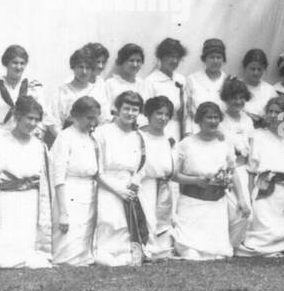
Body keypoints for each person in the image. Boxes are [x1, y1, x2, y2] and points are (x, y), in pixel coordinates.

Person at [0, 96, 54, 269]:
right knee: (0, 257)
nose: (32, 123)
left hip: (31, 201)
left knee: (30, 257)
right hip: (6, 200)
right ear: (17, 116)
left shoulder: (39, 146)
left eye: (36, 119)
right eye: (29, 118)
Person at [171, 101, 245, 260]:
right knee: (191, 253)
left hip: (216, 204)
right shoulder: (186, 144)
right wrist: (195, 180)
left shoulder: (224, 143)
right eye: (208, 117)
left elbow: (233, 172)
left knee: (218, 253)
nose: (213, 121)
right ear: (199, 120)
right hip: (192, 203)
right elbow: (174, 175)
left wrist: (241, 199)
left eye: (216, 117)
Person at [238, 94, 284, 257]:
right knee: (261, 228)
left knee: (283, 228)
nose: (273, 116)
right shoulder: (258, 136)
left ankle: (282, 245)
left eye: (278, 112)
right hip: (264, 190)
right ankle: (260, 246)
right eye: (271, 111)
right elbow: (252, 171)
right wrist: (251, 197)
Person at [94, 90, 149, 266]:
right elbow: (97, 169)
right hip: (107, 186)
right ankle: (104, 252)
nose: (130, 113)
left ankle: (125, 252)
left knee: (127, 224)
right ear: (117, 109)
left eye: (135, 110)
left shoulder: (139, 136)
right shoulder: (102, 132)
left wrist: (135, 181)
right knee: (109, 221)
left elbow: (142, 166)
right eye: (126, 108)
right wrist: (118, 190)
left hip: (129, 187)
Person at [48, 96, 101, 267]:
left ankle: (84, 259)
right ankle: (66, 261)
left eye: (95, 118)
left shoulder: (92, 138)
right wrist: (63, 211)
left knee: (85, 233)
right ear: (75, 116)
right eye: (89, 118)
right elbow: (58, 176)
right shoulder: (65, 137)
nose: (92, 122)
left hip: (89, 190)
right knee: (68, 236)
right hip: (69, 190)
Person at [0, 44, 53, 141]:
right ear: (6, 63)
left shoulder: (33, 88)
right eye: (15, 62)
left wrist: (31, 135)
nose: (19, 67)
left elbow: (42, 115)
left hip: (25, 137)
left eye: (22, 63)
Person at [137, 96, 177, 261]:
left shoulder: (169, 139)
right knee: (147, 218)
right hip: (145, 183)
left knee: (164, 219)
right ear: (149, 114)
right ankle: (146, 249)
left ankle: (160, 249)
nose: (163, 118)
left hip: (164, 184)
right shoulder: (140, 136)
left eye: (166, 114)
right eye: (158, 113)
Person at [219, 76, 255, 247]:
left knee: (246, 212)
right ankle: (225, 244)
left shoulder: (247, 120)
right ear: (226, 98)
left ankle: (233, 245)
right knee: (232, 210)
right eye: (234, 97)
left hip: (243, 170)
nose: (238, 101)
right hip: (226, 171)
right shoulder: (220, 120)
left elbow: (251, 146)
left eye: (241, 97)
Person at [146, 37, 189, 141]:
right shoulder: (151, 81)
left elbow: (186, 112)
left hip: (179, 131)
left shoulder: (181, 79)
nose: (174, 61)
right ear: (161, 57)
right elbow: (145, 114)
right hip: (158, 131)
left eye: (177, 57)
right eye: (170, 56)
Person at [185, 37, 228, 135]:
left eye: (219, 57)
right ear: (204, 59)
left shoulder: (228, 81)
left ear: (223, 59)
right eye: (212, 57)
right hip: (197, 131)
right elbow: (188, 112)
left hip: (222, 132)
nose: (215, 61)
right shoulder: (192, 79)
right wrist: (188, 132)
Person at [55, 48, 106, 130]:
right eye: (80, 67)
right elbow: (54, 121)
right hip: (67, 137)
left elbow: (104, 120)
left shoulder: (98, 91)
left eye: (88, 68)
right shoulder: (62, 91)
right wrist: (64, 138)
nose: (84, 71)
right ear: (73, 67)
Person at [105, 43, 150, 119]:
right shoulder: (110, 83)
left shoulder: (143, 84)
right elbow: (107, 112)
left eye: (138, 61)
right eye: (131, 60)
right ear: (122, 62)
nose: (135, 64)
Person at [240, 48, 277, 128]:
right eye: (252, 69)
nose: (256, 73)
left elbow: (275, 114)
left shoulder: (270, 90)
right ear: (245, 67)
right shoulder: (235, 86)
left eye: (259, 69)